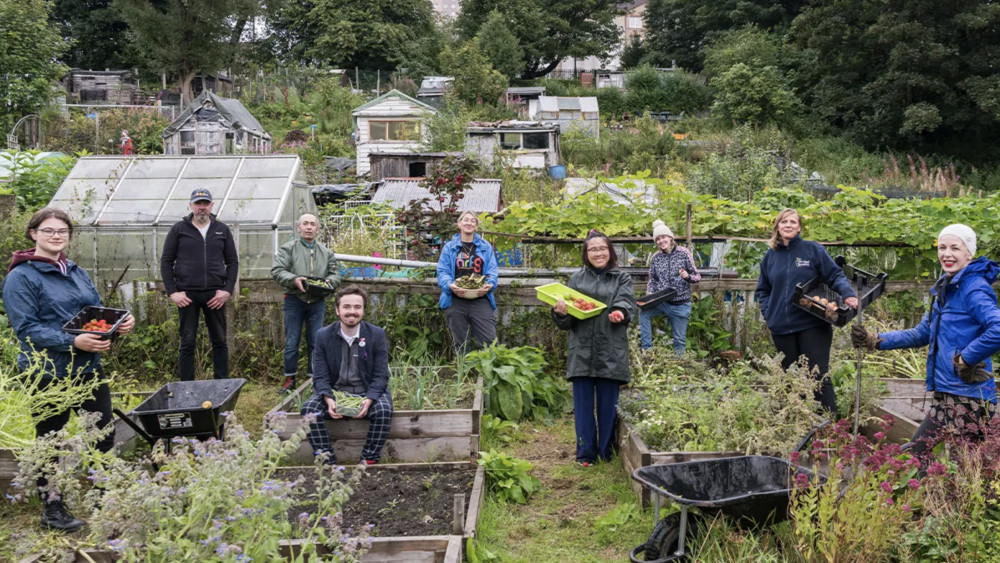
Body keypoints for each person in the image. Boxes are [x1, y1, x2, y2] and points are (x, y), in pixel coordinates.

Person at [2, 207, 136, 532]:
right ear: (33, 234)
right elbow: (27, 330)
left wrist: (118, 324)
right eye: (48, 230)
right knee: (51, 442)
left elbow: (93, 311)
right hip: (47, 372)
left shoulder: (74, 270)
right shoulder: (21, 277)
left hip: (88, 369)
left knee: (102, 434)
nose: (56, 236)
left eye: (62, 231)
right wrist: (73, 343)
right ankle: (52, 510)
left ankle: (106, 498)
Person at [852, 224, 998, 461]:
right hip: (948, 394)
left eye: (955, 248)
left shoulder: (973, 288)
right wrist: (876, 340)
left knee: (961, 467)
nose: (947, 254)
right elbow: (922, 333)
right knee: (921, 456)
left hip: (969, 396)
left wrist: (967, 357)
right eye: (942, 247)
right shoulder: (946, 288)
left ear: (969, 253)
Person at [755, 208, 858, 415]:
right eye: (784, 222)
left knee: (818, 376)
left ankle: (831, 426)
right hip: (781, 329)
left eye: (793, 222)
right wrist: (769, 314)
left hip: (812, 324)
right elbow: (763, 290)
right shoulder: (770, 256)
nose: (788, 225)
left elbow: (835, 275)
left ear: (799, 227)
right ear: (777, 226)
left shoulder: (812, 250)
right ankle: (799, 424)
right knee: (791, 378)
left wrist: (847, 293)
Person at [551, 230, 636, 466]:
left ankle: (606, 453)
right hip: (582, 350)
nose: (598, 253)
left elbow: (626, 302)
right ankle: (586, 453)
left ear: (610, 251)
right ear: (586, 254)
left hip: (611, 349)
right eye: (593, 249)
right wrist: (560, 313)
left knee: (609, 405)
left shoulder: (622, 278)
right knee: (583, 407)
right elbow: (567, 320)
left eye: (602, 248)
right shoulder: (577, 279)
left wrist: (620, 312)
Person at [300, 285, 393, 465]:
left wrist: (370, 399)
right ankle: (327, 460)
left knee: (384, 410)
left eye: (357, 307)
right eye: (347, 307)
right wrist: (328, 398)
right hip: (336, 391)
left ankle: (369, 458)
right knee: (309, 409)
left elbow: (381, 376)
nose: (352, 312)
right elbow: (320, 375)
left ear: (364, 310)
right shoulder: (323, 336)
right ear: (337, 310)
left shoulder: (376, 334)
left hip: (366, 392)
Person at [160, 189, 238, 381]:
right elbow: (166, 261)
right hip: (187, 295)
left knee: (219, 341)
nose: (201, 207)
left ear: (211, 206)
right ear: (191, 206)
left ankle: (222, 384)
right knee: (187, 342)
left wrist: (227, 290)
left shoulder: (222, 229)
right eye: (198, 204)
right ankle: (187, 386)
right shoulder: (179, 229)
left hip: (215, 295)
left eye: (205, 203)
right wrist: (173, 292)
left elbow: (232, 262)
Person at [271, 213, 341, 393]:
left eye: (312, 224)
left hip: (317, 301)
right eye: (305, 224)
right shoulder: (288, 249)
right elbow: (278, 270)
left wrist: (329, 283)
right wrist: (294, 279)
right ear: (298, 227)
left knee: (316, 341)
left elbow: (335, 274)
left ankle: (313, 380)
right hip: (295, 300)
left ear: (317, 229)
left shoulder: (326, 252)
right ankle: (289, 380)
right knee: (291, 341)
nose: (309, 227)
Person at [436, 211, 499, 353]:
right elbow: (443, 271)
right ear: (459, 223)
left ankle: (488, 373)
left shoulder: (485, 246)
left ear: (476, 226)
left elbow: (492, 270)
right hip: (456, 299)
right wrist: (449, 285)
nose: (469, 223)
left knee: (489, 340)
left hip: (480, 298)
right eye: (465, 220)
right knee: (461, 343)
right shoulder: (449, 247)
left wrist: (490, 283)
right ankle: (464, 372)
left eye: (472, 221)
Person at [639, 219, 702, 356]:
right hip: (661, 302)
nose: (661, 241)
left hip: (680, 304)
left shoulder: (683, 253)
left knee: (679, 341)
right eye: (658, 239)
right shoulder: (656, 257)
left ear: (670, 237)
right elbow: (653, 279)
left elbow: (697, 276)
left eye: (663, 237)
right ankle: (647, 350)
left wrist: (687, 277)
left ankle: (679, 369)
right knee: (643, 312)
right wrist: (650, 293)